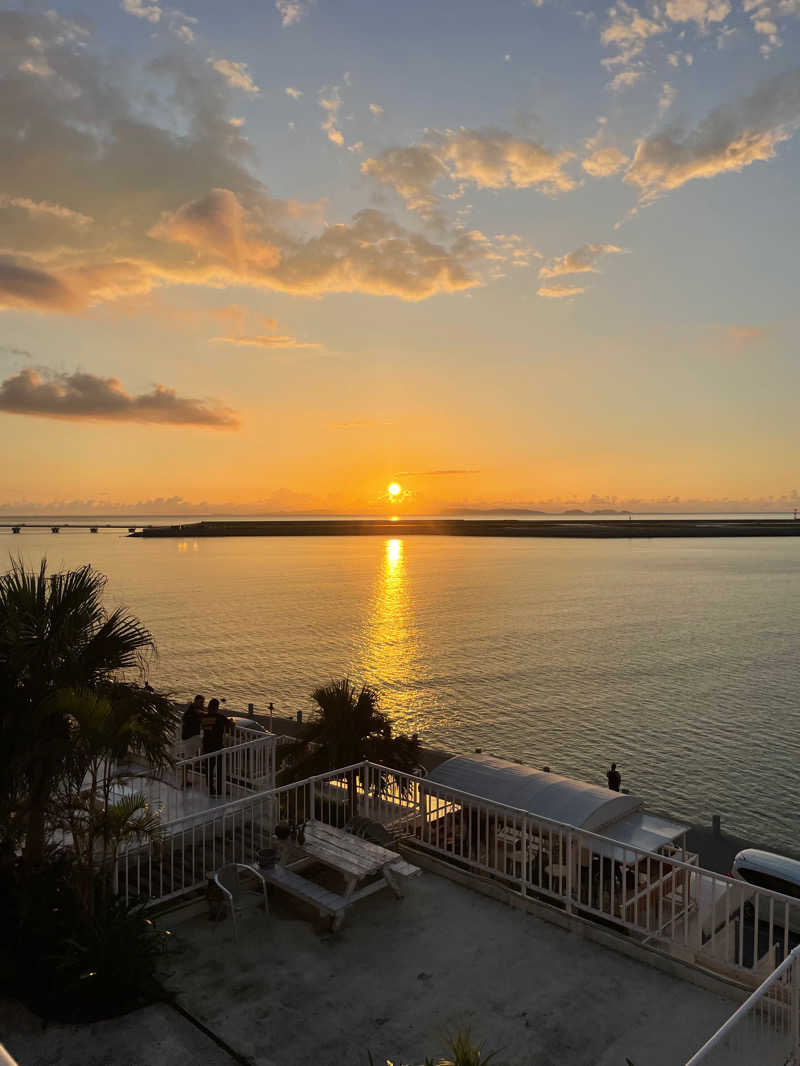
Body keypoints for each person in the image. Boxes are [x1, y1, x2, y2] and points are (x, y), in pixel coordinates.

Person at [201, 698, 227, 796]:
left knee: (209, 769)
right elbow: (230, 724)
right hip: (218, 746)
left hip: (207, 745)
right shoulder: (221, 717)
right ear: (217, 707)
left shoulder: (205, 717)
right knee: (220, 769)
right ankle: (220, 790)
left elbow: (204, 728)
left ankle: (211, 789)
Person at [181, 695, 205, 761]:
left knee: (188, 757)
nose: (202, 704)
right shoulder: (194, 710)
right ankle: (200, 761)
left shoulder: (192, 709)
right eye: (201, 702)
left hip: (190, 736)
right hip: (191, 736)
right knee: (205, 744)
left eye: (203, 702)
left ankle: (197, 761)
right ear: (196, 701)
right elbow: (201, 715)